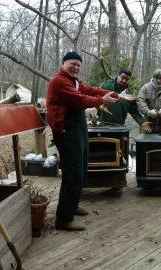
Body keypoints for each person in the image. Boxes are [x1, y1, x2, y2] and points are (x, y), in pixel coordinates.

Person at [46, 51, 135, 231]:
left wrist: (118, 96)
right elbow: (79, 100)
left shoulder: (75, 82)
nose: (76, 67)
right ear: (62, 63)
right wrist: (102, 100)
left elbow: (92, 90)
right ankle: (63, 219)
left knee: (82, 169)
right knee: (73, 174)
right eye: (72, 63)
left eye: (79, 65)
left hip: (78, 130)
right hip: (66, 131)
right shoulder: (59, 82)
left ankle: (73, 204)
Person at [99, 68, 151, 132]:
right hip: (102, 125)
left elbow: (134, 111)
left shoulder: (129, 94)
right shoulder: (106, 86)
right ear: (118, 76)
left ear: (129, 80)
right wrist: (99, 105)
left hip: (119, 127)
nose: (124, 80)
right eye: (122, 77)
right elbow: (95, 98)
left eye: (127, 79)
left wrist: (142, 122)